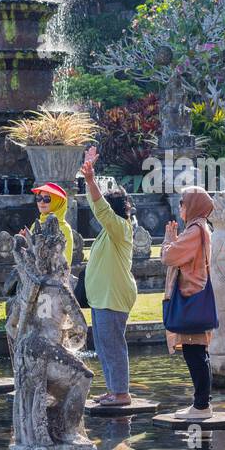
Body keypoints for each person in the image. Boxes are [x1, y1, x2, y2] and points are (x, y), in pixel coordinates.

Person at [80, 146, 137, 406]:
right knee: (103, 347)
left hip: (112, 296)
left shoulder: (121, 228)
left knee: (113, 345)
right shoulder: (109, 231)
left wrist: (91, 180)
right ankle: (113, 389)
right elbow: (96, 205)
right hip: (102, 297)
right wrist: (88, 181)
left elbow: (100, 208)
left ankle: (122, 393)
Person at [162, 185, 217, 419]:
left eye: (183, 203)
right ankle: (200, 403)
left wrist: (168, 240)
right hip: (196, 293)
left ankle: (202, 405)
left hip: (191, 295)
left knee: (195, 353)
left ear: (193, 205)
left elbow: (169, 256)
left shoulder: (195, 230)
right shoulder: (200, 227)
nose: (181, 208)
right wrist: (174, 241)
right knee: (197, 352)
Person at [30, 181, 74, 269]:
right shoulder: (36, 224)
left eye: (47, 199)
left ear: (57, 202)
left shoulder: (64, 228)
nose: (41, 202)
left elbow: (66, 262)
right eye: (39, 198)